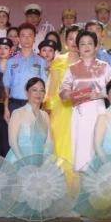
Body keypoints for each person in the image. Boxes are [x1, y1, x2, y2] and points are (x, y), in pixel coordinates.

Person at [60, 29, 111, 170]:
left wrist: (97, 94)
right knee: (82, 150)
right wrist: (71, 94)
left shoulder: (104, 66)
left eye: (90, 43)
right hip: (80, 113)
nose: (86, 46)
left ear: (96, 46)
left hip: (99, 111)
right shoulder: (72, 68)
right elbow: (63, 92)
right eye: (82, 44)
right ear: (77, 48)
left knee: (99, 145)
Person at [2, 24, 49, 147]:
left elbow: (45, 87)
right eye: (23, 35)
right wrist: (6, 107)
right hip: (15, 105)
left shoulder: (41, 61)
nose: (26, 39)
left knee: (32, 140)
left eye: (30, 35)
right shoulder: (11, 61)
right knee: (14, 140)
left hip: (34, 105)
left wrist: (43, 108)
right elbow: (6, 86)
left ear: (34, 38)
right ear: (18, 39)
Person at [43, 29, 76, 164]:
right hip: (61, 107)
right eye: (71, 38)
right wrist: (48, 107)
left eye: (77, 38)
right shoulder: (59, 60)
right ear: (66, 42)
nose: (74, 42)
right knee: (58, 141)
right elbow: (52, 87)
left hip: (80, 108)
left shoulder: (86, 60)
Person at [5, 77, 53, 162]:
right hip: (18, 161)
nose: (38, 94)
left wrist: (45, 163)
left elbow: (49, 143)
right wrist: (24, 163)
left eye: (42, 90)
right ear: (27, 93)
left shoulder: (45, 115)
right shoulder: (17, 113)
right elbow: (12, 142)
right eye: (34, 90)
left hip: (38, 163)